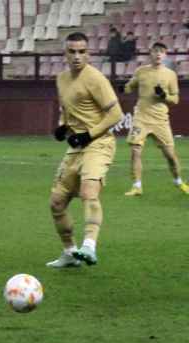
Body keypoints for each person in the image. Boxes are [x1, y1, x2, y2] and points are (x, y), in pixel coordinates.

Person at [48, 32, 123, 268]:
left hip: (99, 143)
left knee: (89, 192)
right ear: (65, 53)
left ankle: (89, 246)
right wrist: (63, 126)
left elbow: (116, 114)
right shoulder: (61, 79)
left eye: (82, 51)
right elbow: (67, 110)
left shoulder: (96, 79)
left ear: (88, 53)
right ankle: (70, 253)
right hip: (76, 146)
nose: (77, 56)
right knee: (56, 203)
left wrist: (88, 135)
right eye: (72, 51)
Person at [123, 42, 189, 196]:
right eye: (155, 51)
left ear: (165, 55)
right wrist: (124, 88)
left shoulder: (170, 74)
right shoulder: (141, 71)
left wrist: (164, 96)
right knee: (135, 150)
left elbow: (176, 99)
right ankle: (137, 186)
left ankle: (179, 181)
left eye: (162, 51)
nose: (158, 54)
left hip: (160, 120)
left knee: (170, 156)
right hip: (141, 117)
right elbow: (129, 86)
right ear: (150, 53)